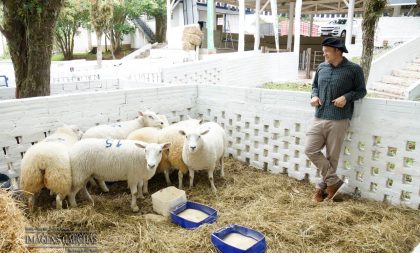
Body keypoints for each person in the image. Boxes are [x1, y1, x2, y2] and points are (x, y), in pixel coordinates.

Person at [305, 37, 367, 202]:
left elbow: (361, 91)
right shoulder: (321, 67)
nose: (324, 53)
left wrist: (346, 97)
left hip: (339, 119)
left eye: (327, 51)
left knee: (332, 157)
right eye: (324, 50)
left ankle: (321, 189)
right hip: (319, 116)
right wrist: (314, 96)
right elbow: (314, 86)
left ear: (338, 51)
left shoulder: (354, 69)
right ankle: (333, 182)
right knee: (310, 149)